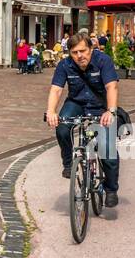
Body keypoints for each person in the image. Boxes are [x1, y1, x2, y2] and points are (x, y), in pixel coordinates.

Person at [46, 33, 121, 207]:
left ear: (91, 49)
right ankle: (68, 163)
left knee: (107, 150)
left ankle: (111, 189)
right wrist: (51, 111)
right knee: (62, 126)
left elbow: (112, 86)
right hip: (76, 103)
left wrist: (110, 111)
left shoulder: (103, 60)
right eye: (74, 52)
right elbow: (56, 89)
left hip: (101, 106)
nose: (79, 55)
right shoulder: (65, 65)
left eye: (83, 51)